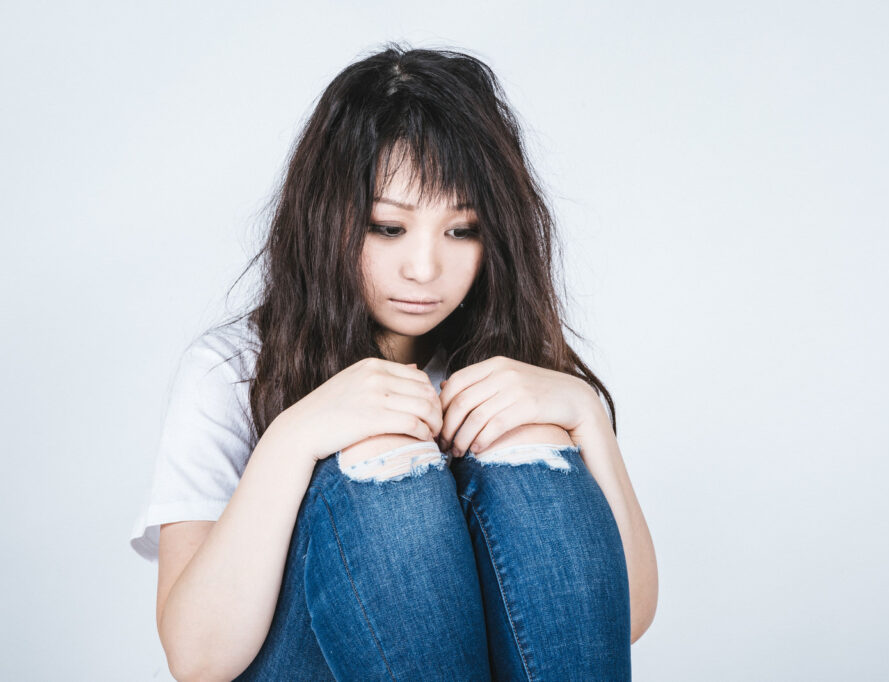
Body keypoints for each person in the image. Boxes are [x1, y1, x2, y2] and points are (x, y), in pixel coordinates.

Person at [129, 44, 658, 681]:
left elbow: (616, 622)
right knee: (381, 457)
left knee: (528, 440)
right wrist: (295, 437)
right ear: (326, 218)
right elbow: (197, 659)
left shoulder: (510, 377)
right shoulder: (232, 368)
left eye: (461, 230)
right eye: (388, 227)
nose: (424, 268)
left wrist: (585, 414)